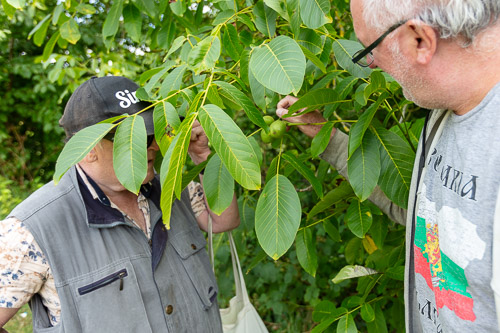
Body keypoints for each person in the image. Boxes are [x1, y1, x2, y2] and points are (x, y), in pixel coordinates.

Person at [276, 1, 500, 331]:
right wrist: (329, 137)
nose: (369, 64)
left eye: (370, 48)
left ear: (419, 40)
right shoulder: (446, 109)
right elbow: (423, 214)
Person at [0, 76, 240, 332]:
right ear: (88, 149)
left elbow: (223, 221)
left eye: (153, 133)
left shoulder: (171, 186)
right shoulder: (31, 230)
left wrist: (203, 156)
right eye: (140, 137)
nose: (156, 146)